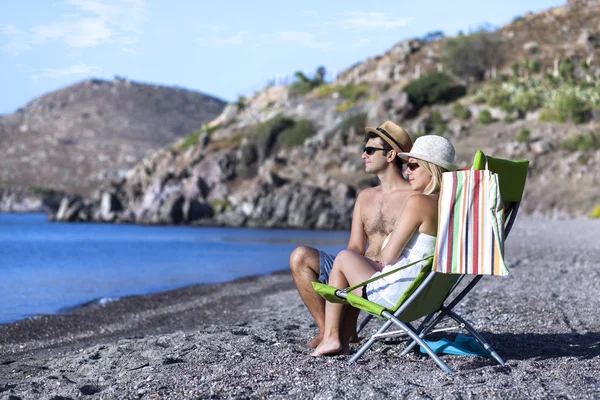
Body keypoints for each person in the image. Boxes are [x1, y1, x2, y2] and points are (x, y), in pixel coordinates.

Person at [311, 135, 458, 356]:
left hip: (398, 294)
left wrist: (391, 238)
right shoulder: (452, 207)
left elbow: (389, 257)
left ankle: (332, 337)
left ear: (432, 168)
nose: (407, 171)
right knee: (348, 261)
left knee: (343, 258)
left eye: (413, 165)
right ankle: (341, 335)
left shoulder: (418, 202)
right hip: (427, 297)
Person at [289, 121, 415, 349]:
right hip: (355, 268)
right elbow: (355, 246)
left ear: (390, 155)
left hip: (384, 276)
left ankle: (339, 333)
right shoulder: (365, 196)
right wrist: (341, 271)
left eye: (369, 150)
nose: (363, 156)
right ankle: (328, 331)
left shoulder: (414, 198)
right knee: (300, 256)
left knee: (347, 263)